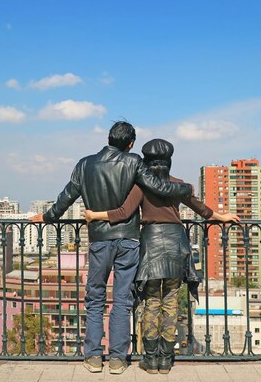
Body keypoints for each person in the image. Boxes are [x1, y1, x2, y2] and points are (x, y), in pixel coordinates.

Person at [30, 122, 192, 375]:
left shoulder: (85, 164)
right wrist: (186, 189)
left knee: (94, 299)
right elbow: (159, 187)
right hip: (128, 240)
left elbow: (67, 195)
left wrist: (48, 217)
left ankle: (93, 357)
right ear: (130, 144)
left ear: (108, 138)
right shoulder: (133, 161)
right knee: (122, 301)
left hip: (99, 240)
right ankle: (118, 359)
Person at [85, 138, 239, 374]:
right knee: (171, 303)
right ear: (169, 161)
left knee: (151, 304)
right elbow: (202, 210)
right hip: (177, 245)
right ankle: (166, 359)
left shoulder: (141, 186)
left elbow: (124, 212)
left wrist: (95, 215)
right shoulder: (179, 185)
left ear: (146, 161)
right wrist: (222, 217)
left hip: (151, 247)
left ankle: (150, 358)